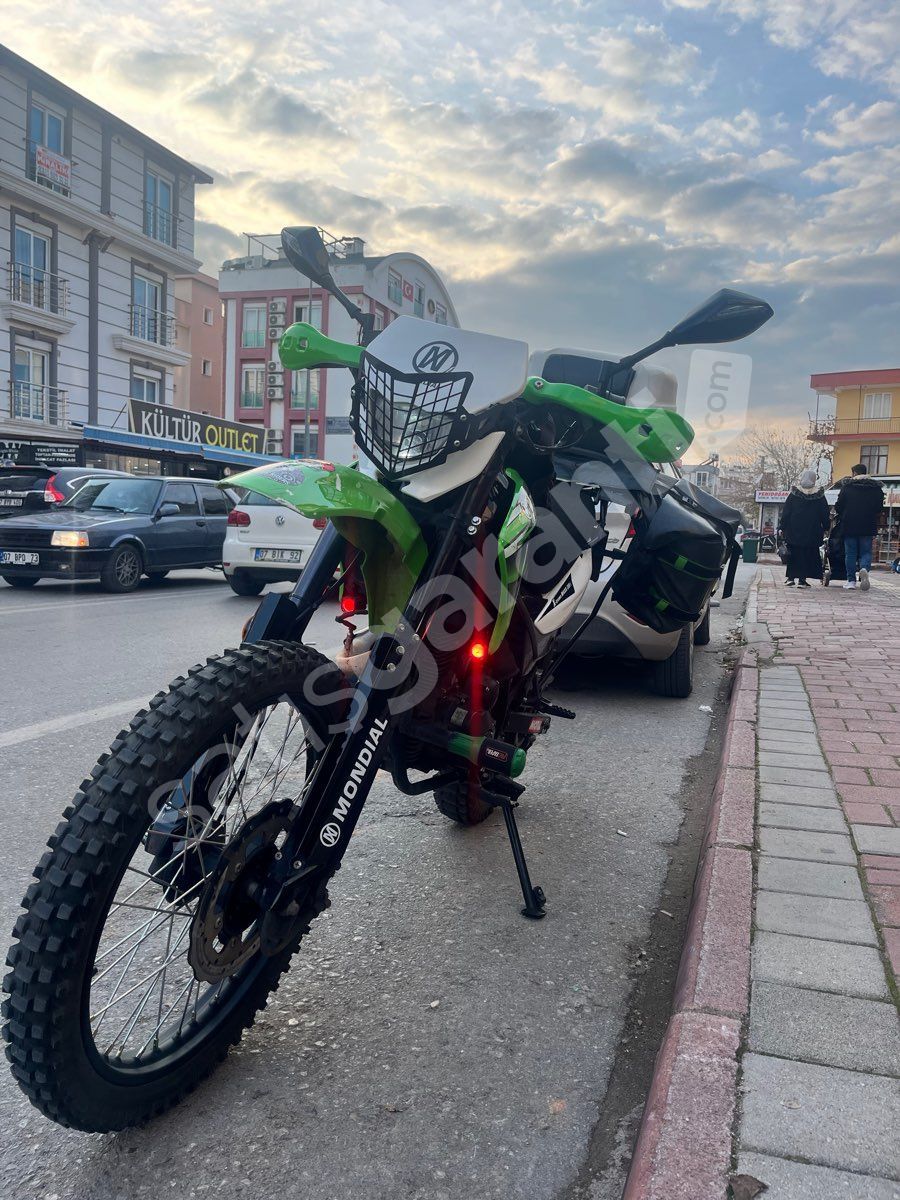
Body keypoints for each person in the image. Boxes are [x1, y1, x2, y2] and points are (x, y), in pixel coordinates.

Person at [835, 463, 885, 591]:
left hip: (849, 525)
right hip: (868, 525)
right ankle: (864, 569)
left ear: (855, 473)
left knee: (850, 553)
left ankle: (851, 581)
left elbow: (839, 506)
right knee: (866, 552)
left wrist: (844, 513)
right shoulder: (876, 488)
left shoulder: (847, 487)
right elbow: (879, 508)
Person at [778, 469, 830, 588]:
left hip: (794, 529)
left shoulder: (794, 494)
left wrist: (782, 526)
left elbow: (786, 511)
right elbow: (824, 513)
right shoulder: (819, 495)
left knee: (794, 553)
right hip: (812, 530)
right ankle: (802, 580)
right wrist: (826, 527)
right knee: (806, 554)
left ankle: (791, 578)